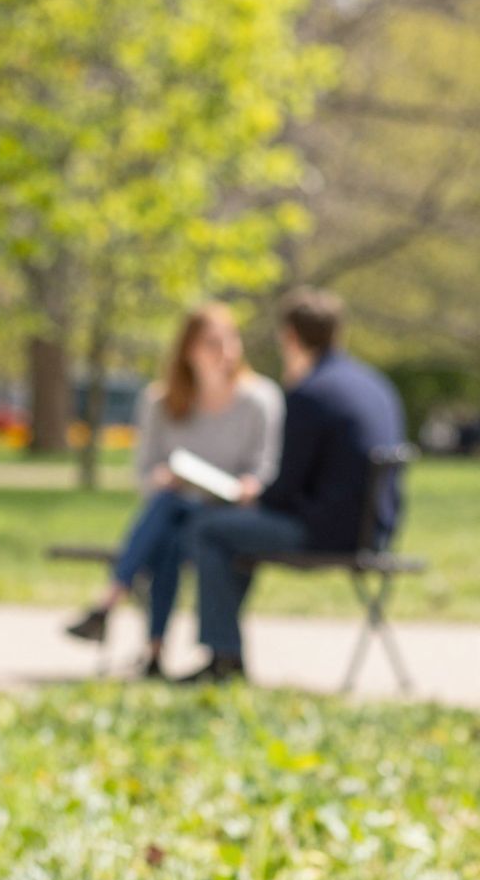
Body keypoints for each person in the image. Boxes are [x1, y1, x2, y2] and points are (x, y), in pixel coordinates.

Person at [179, 289, 405, 683]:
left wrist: (251, 495)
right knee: (233, 532)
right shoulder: (374, 384)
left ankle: (224, 659)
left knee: (211, 529)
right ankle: (225, 654)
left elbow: (285, 488)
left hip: (325, 533)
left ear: (290, 337)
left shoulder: (311, 393)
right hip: (376, 532)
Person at [64, 304, 283, 676]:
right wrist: (164, 478)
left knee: (168, 519)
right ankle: (151, 652)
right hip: (178, 505)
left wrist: (249, 485)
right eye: (212, 342)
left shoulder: (259, 398)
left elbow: (264, 468)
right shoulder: (161, 401)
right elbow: (145, 470)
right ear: (188, 349)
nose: (225, 351)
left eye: (231, 339)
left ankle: (112, 607)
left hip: (226, 511)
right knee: (168, 523)